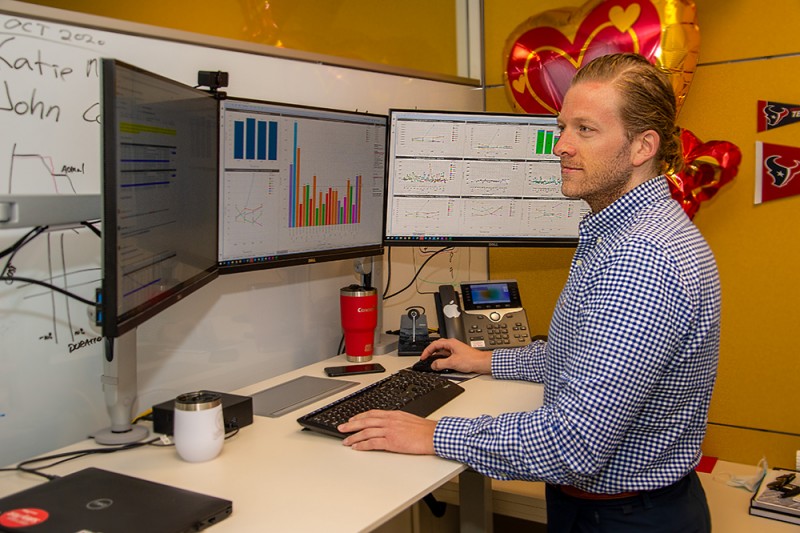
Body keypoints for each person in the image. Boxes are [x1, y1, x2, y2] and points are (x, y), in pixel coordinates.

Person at [339, 53, 720, 532]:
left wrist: (435, 434)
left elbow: (574, 444)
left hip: (624, 517)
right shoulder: (625, 233)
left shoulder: (640, 260)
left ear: (643, 146)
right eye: (563, 128)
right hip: (620, 506)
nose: (560, 146)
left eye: (585, 130)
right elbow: (583, 357)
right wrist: (487, 361)